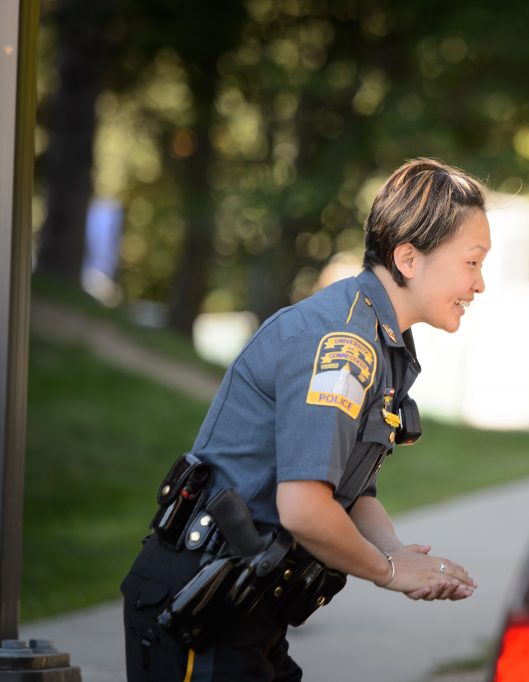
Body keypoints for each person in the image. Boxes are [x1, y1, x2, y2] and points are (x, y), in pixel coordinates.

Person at [122, 157, 491, 681]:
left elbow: (353, 492)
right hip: (198, 608)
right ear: (409, 257)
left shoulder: (380, 341)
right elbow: (303, 508)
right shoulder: (342, 344)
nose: (480, 284)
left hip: (247, 611)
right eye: (472, 262)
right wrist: (387, 572)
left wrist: (395, 550)